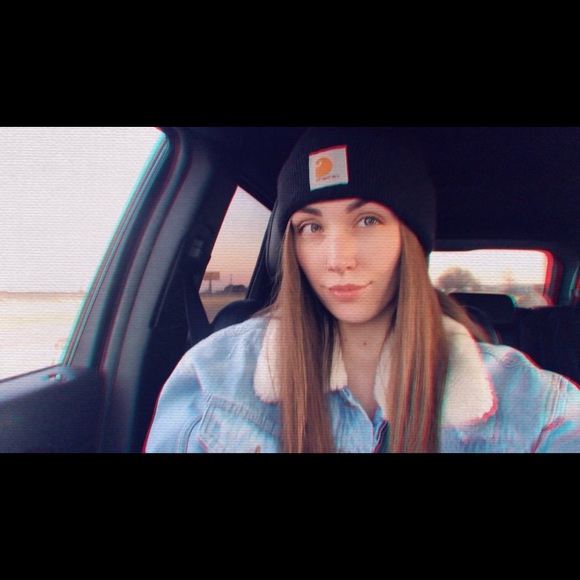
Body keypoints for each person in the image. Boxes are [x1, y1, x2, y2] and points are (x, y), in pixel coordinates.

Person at [144, 127, 580, 453]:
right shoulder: (214, 377)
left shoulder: (530, 403)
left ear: (410, 240)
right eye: (311, 227)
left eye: (368, 220)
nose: (338, 259)